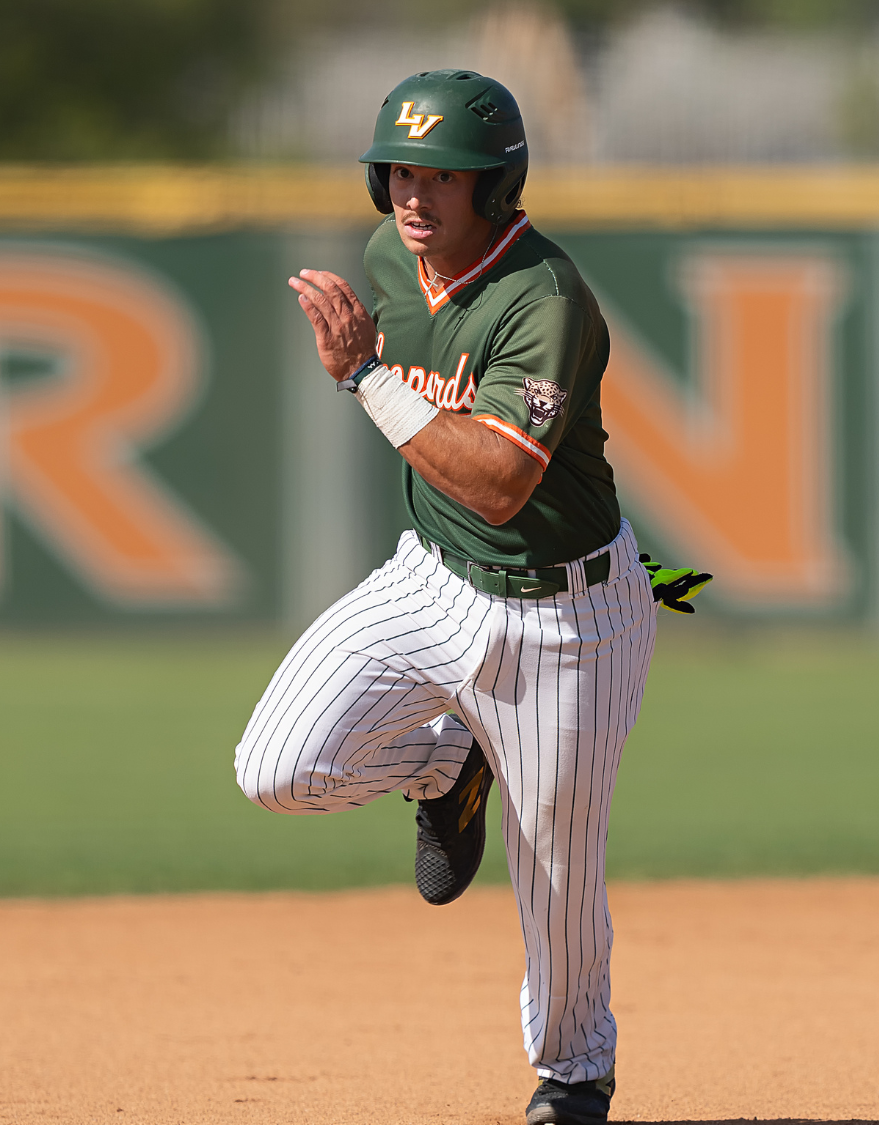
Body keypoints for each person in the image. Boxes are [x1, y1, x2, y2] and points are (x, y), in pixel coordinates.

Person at [232, 70, 655, 1125]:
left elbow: (502, 485)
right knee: (274, 768)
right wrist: (371, 372)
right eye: (400, 174)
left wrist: (364, 378)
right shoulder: (389, 259)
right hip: (432, 577)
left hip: (568, 617)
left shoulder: (544, 302)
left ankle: (571, 1073)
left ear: (496, 184)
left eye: (444, 178)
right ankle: (446, 761)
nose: (414, 199)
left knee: (554, 870)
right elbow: (445, 473)